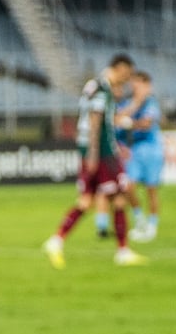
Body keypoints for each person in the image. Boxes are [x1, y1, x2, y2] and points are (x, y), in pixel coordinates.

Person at [42, 53, 146, 268]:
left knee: (87, 200)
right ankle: (122, 251)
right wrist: (93, 154)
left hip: (95, 149)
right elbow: (95, 121)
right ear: (118, 68)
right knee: (118, 197)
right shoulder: (102, 89)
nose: (126, 80)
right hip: (102, 152)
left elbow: (105, 119)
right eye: (126, 74)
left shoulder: (95, 86)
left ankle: (57, 240)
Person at [116, 71, 164, 242]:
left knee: (151, 190)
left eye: (138, 85)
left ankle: (152, 225)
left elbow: (146, 124)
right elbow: (116, 120)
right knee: (128, 187)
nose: (135, 89)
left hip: (152, 151)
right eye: (133, 86)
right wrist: (134, 106)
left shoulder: (151, 104)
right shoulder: (129, 104)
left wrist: (129, 123)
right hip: (134, 151)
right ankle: (140, 219)